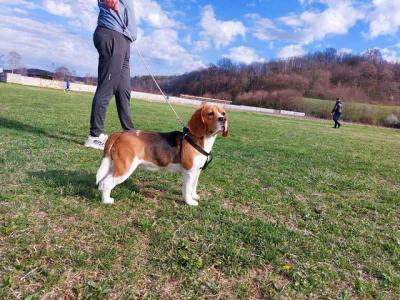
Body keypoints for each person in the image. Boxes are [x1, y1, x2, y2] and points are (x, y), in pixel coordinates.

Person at [84, 0, 137, 150]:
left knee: (123, 90)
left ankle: (129, 133)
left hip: (124, 40)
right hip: (113, 33)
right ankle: (94, 136)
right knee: (107, 87)